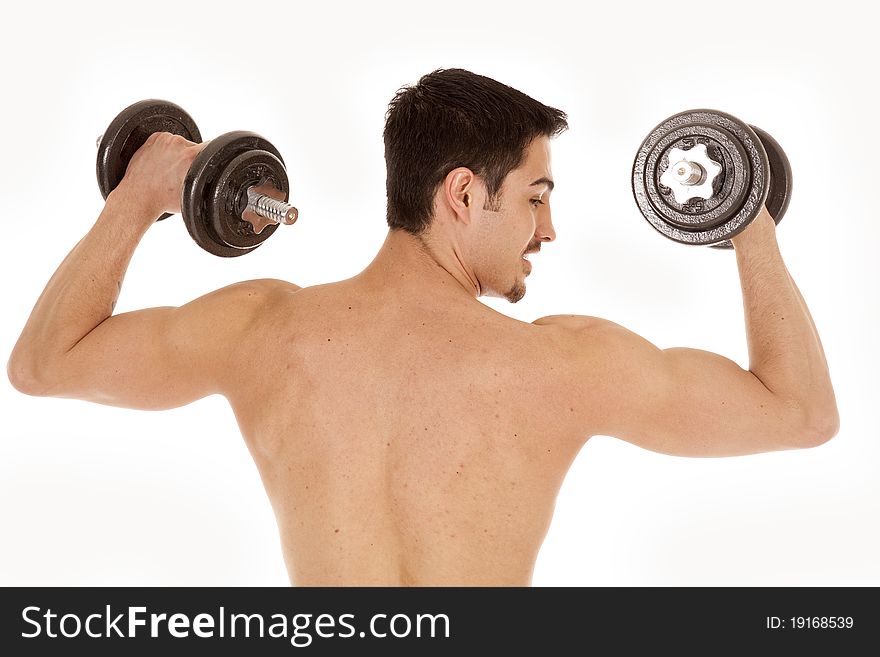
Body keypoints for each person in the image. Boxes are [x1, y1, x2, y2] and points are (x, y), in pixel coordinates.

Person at [7, 69, 839, 586]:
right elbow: (799, 412)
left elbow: (44, 363)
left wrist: (143, 190)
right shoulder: (564, 363)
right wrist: (747, 217)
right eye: (536, 199)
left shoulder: (263, 329)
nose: (546, 232)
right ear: (464, 194)